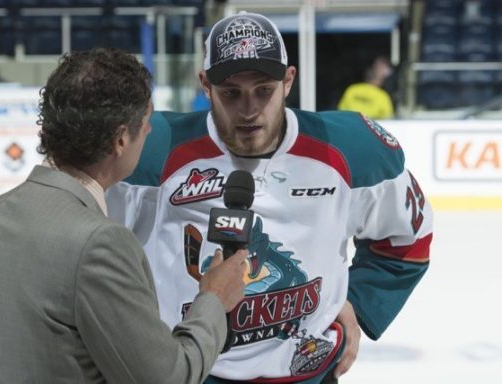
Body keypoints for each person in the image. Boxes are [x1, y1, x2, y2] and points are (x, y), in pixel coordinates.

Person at [106, 12, 433, 384]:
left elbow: (408, 240)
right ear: (206, 86)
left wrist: (359, 303)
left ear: (288, 80)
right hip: (187, 372)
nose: (249, 110)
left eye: (264, 90)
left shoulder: (352, 152)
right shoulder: (148, 149)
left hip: (308, 373)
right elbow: (81, 248)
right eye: (231, 93)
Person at [0, 47, 249, 383]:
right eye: (146, 123)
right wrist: (213, 301)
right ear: (120, 140)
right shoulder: (99, 243)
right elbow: (167, 377)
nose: (148, 133)